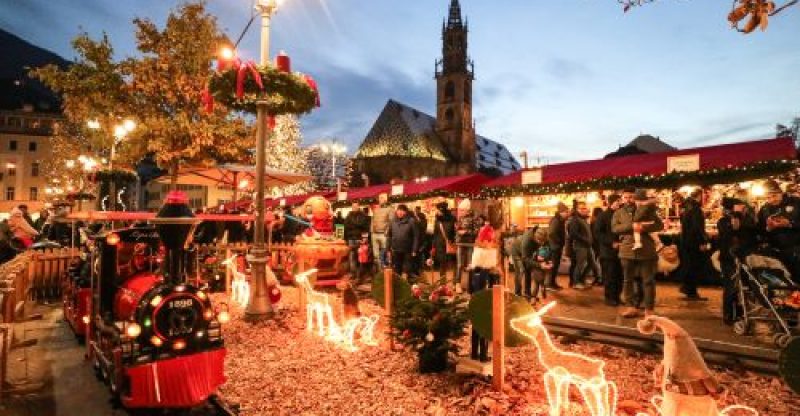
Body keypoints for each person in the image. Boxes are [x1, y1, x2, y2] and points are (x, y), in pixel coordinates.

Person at [613, 188, 664, 318]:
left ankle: (649, 310)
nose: (629, 200)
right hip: (626, 251)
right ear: (622, 199)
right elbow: (615, 228)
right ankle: (630, 307)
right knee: (627, 280)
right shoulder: (618, 212)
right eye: (626, 197)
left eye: (631, 197)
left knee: (648, 281)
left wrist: (644, 227)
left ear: (636, 198)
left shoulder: (647, 210)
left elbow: (659, 225)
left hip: (646, 251)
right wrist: (631, 226)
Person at [717, 197, 757, 325]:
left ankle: (741, 312)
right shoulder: (724, 221)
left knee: (743, 287)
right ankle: (729, 315)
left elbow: (751, 233)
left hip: (744, 257)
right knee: (731, 287)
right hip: (729, 258)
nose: (743, 207)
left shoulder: (747, 219)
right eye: (739, 205)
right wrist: (734, 225)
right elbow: (726, 236)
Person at [757, 180, 800, 279]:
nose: (772, 200)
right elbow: (760, 230)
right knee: (787, 280)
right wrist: (768, 228)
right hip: (777, 252)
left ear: (781, 192)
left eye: (774, 195)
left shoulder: (796, 202)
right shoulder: (764, 209)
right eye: (768, 197)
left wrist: (790, 224)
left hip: (797, 247)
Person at [678, 189, 709, 301]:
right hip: (694, 242)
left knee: (689, 264)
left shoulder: (686, 207)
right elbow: (697, 227)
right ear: (700, 196)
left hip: (686, 241)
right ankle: (691, 290)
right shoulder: (696, 209)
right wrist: (702, 241)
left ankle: (687, 288)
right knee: (694, 266)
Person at [593, 194, 624, 306]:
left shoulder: (621, 214)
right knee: (609, 276)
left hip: (620, 251)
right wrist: (611, 242)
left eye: (620, 201)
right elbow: (597, 233)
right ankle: (609, 298)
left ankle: (617, 296)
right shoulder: (603, 216)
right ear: (611, 202)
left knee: (619, 276)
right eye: (617, 201)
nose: (619, 203)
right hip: (608, 252)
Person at [385, 204, 419, 279]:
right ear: (396, 211)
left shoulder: (411, 221)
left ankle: (409, 286)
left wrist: (414, 249)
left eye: (402, 211)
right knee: (397, 269)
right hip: (396, 249)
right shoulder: (392, 221)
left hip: (408, 250)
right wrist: (387, 249)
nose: (400, 212)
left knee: (407, 270)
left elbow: (416, 236)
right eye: (398, 210)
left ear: (405, 212)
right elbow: (389, 236)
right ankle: (399, 286)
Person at [566, 201, 592, 290]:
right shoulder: (575, 220)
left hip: (586, 246)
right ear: (577, 209)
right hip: (580, 246)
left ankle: (581, 280)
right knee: (580, 265)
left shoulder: (583, 219)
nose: (584, 210)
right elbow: (573, 234)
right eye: (582, 208)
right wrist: (585, 240)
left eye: (585, 208)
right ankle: (576, 282)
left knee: (591, 264)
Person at [455, 199, 478, 293]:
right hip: (460, 243)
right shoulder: (459, 219)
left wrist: (466, 232)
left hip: (470, 244)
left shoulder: (474, 219)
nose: (461, 212)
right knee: (459, 265)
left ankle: (470, 286)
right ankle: (457, 284)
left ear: (467, 210)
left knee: (470, 265)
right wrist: (458, 232)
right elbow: (457, 231)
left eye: (462, 210)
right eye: (460, 210)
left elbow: (477, 231)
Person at [430, 201, 456, 283]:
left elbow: (454, 232)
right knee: (442, 264)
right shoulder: (437, 219)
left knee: (453, 264)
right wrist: (433, 246)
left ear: (442, 210)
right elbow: (435, 233)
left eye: (439, 210)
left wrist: (453, 241)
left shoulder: (452, 219)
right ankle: (442, 282)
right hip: (440, 245)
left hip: (450, 244)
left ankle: (454, 282)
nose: (437, 212)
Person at [546, 202, 570, 290]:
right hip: (554, 247)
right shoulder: (556, 220)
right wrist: (559, 242)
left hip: (556, 246)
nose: (568, 213)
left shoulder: (559, 220)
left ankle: (552, 283)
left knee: (555, 266)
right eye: (566, 212)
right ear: (561, 212)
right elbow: (551, 233)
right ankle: (550, 284)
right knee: (553, 266)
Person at [344, 202, 370, 276]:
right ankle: (353, 273)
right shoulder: (348, 216)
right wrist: (345, 238)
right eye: (353, 206)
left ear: (358, 206)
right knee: (352, 256)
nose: (354, 207)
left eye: (356, 206)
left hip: (360, 239)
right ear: (351, 207)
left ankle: (361, 273)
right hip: (351, 239)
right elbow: (346, 227)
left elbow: (366, 228)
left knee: (361, 257)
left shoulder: (363, 216)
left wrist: (365, 238)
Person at [510, 226, 537, 298]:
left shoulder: (538, 237)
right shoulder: (527, 241)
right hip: (516, 251)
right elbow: (525, 258)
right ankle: (517, 293)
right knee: (520, 271)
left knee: (528, 271)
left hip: (526, 252)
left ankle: (527, 292)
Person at [371, 193, 393, 269]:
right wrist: (371, 231)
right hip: (375, 234)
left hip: (384, 234)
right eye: (380, 198)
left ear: (386, 199)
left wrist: (387, 231)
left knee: (385, 253)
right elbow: (372, 220)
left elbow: (391, 222)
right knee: (376, 255)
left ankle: (386, 271)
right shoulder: (376, 209)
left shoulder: (390, 209)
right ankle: (379, 271)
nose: (380, 199)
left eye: (382, 198)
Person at [412, 206, 429, 275]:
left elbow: (423, 227)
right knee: (419, 254)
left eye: (416, 210)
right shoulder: (414, 218)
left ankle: (421, 269)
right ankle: (420, 269)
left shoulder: (421, 217)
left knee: (420, 254)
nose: (416, 211)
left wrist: (418, 220)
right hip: (420, 240)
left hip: (421, 239)